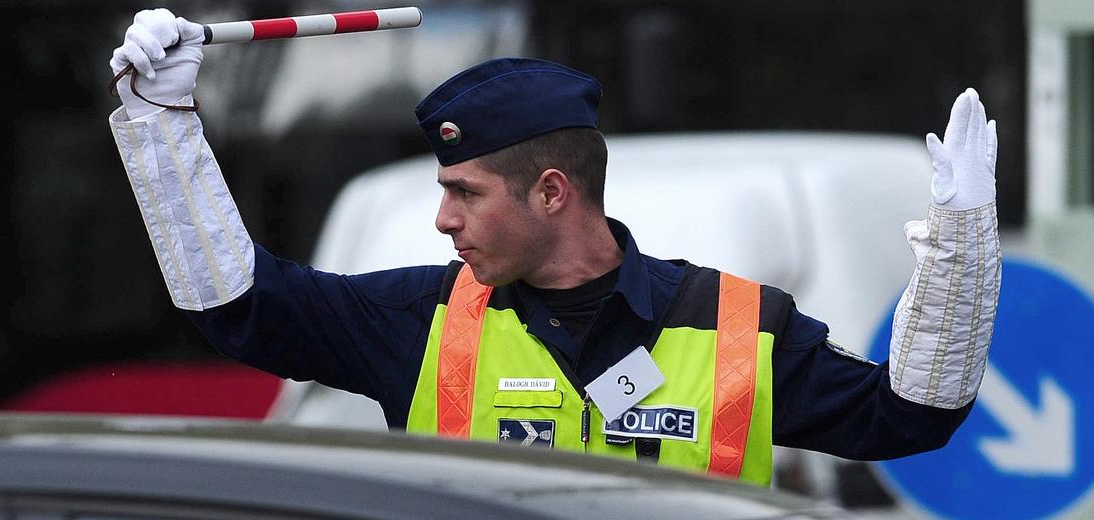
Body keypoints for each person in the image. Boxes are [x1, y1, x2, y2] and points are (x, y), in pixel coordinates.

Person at [107, 10, 1000, 485]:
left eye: (464, 193)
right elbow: (236, 306)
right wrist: (163, 125)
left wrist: (961, 242)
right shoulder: (417, 325)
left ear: (552, 192)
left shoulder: (736, 328)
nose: (442, 220)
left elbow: (913, 417)